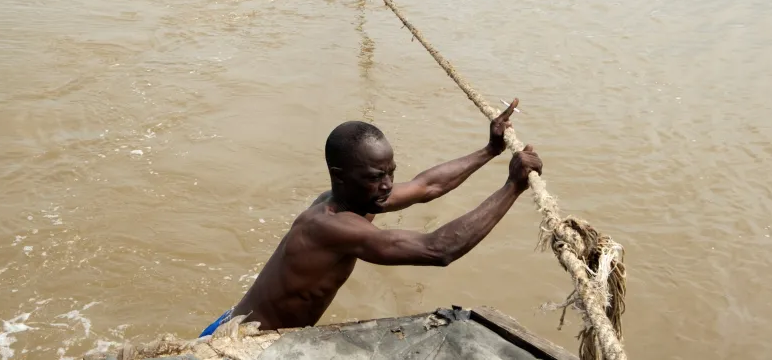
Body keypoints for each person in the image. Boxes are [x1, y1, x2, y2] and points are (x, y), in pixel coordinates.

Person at [200, 99, 542, 337]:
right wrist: (512, 187)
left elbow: (428, 186)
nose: (388, 185)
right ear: (340, 175)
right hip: (238, 341)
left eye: (391, 173)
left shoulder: (360, 197)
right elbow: (439, 250)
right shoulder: (330, 226)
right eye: (377, 176)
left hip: (245, 326)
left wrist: (490, 151)